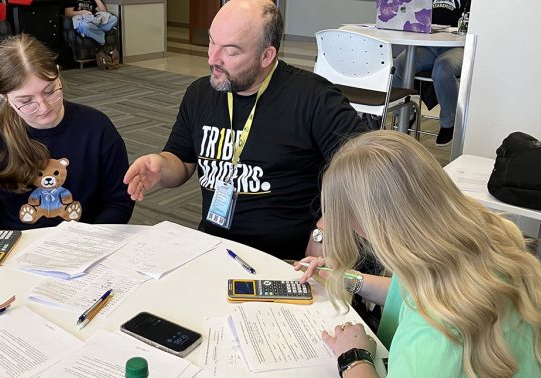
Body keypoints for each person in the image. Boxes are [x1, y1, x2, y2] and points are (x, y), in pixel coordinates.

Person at [296, 131, 541, 378]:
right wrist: (350, 279)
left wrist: (353, 356)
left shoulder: (439, 328)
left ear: (362, 225)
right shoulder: (479, 236)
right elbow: (408, 292)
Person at [124, 0, 366, 260]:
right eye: (211, 42)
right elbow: (182, 162)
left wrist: (323, 231)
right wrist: (161, 166)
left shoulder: (314, 99)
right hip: (214, 247)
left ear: (266, 56)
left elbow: (369, 173)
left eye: (230, 51)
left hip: (288, 258)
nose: (212, 58)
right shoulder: (199, 94)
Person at [0, 34, 134, 240]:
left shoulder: (97, 127)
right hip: (15, 251)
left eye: (50, 91)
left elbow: (119, 201)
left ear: (58, 75)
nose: (43, 107)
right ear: (4, 97)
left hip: (88, 243)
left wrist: (90, 243)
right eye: (26, 100)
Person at [393, 0, 471, 146]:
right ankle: (405, 115)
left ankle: (449, 123)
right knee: (399, 66)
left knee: (443, 68)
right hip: (428, 44)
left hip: (458, 46)